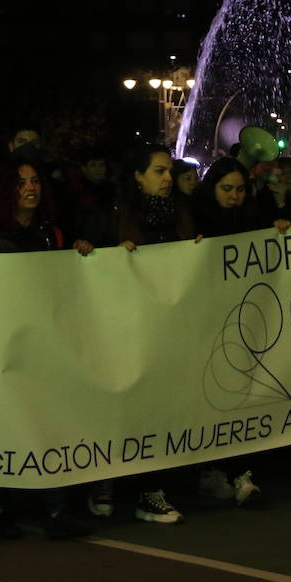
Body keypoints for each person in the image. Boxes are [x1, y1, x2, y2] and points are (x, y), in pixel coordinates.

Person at [0, 160, 93, 538]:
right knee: (4, 425)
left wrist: (83, 255)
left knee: (47, 424)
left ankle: (55, 510)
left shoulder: (54, 234)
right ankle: (1, 509)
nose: (30, 187)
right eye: (21, 182)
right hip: (2, 346)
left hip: (45, 347)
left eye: (35, 181)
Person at [111, 145, 196, 522]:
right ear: (137, 176)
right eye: (159, 172)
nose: (167, 179)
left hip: (170, 331)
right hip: (130, 332)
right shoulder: (118, 218)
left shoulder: (181, 216)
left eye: (169, 172)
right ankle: (140, 489)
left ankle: (153, 486)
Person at [189, 157, 263, 504]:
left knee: (239, 395)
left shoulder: (253, 218)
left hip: (243, 319)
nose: (234, 196)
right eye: (226, 189)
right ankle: (213, 472)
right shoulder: (195, 219)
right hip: (205, 321)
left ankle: (237, 471)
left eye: (240, 190)